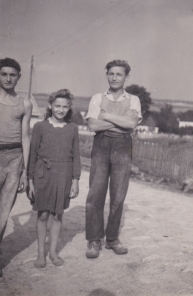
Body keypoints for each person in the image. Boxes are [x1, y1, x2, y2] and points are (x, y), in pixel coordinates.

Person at [85, 60, 142, 259]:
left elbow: (132, 124)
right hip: (101, 146)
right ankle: (93, 239)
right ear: (107, 75)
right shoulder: (97, 98)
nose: (115, 77)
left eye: (119, 74)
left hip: (123, 147)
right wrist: (121, 123)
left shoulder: (133, 99)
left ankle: (112, 239)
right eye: (111, 73)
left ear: (126, 77)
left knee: (118, 195)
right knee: (95, 194)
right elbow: (92, 126)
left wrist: (106, 116)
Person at [28, 89, 81, 268]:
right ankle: (40, 254)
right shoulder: (40, 127)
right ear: (50, 106)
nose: (60, 109)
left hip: (64, 176)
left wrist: (75, 180)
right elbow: (33, 155)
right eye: (57, 106)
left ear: (69, 108)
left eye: (64, 106)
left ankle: (52, 252)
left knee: (58, 215)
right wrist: (30, 181)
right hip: (43, 175)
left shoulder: (73, 129)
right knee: (42, 214)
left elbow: (76, 156)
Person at [0, 58, 32, 280]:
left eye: (13, 74)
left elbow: (26, 138)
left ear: (19, 76)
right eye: (4, 74)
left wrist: (25, 172)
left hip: (14, 159)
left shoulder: (25, 103)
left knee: (3, 212)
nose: (8, 78)